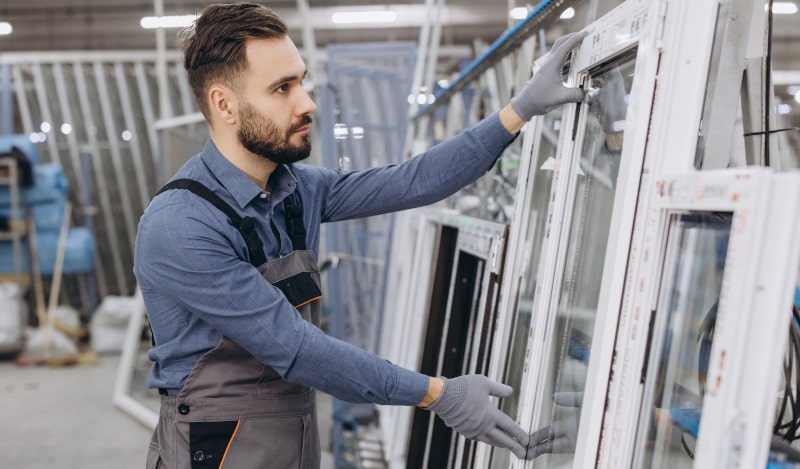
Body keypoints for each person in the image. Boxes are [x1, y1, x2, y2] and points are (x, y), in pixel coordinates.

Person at [133, 3, 587, 468]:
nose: (306, 102)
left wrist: (519, 110)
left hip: (294, 434)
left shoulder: (296, 190)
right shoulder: (182, 225)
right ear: (224, 104)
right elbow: (295, 348)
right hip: (216, 447)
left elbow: (414, 181)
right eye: (282, 88)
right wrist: (437, 393)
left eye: (301, 80)